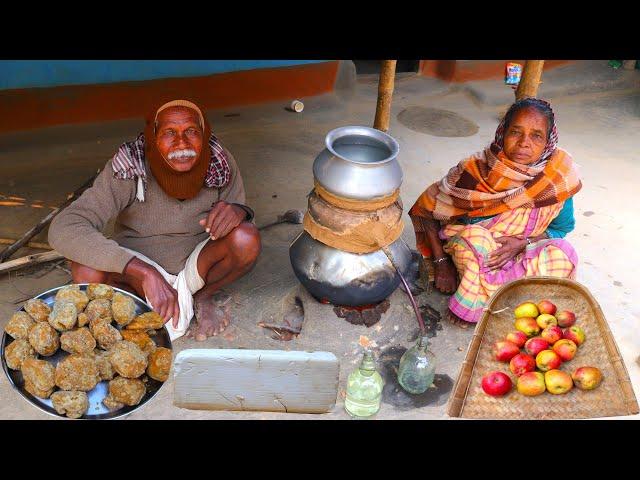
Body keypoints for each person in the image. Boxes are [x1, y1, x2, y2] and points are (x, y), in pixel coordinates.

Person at [49, 99, 261, 340]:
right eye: (169, 133)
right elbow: (64, 227)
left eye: (191, 131)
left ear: (204, 133)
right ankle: (137, 301)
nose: (182, 143)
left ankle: (203, 295)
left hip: (196, 267)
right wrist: (146, 273)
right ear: (152, 137)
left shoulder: (219, 161)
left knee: (246, 237)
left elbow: (239, 217)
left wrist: (239, 210)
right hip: (137, 271)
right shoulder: (130, 167)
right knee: (86, 268)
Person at [409, 98, 581, 327]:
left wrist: (524, 243)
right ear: (502, 133)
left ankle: (483, 298)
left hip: (523, 252)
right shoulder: (474, 170)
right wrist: (441, 262)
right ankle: (512, 303)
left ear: (548, 142)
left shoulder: (558, 178)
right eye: (516, 132)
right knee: (475, 238)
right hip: (479, 253)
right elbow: (428, 210)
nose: (523, 143)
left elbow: (560, 229)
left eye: (536, 135)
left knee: (564, 254)